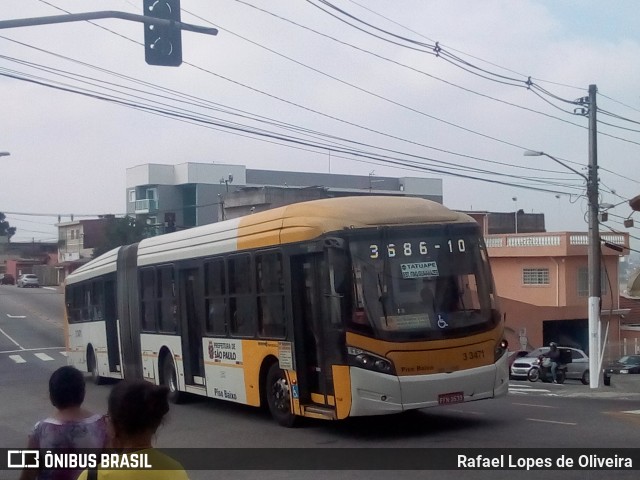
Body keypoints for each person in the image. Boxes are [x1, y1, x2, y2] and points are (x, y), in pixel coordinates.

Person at [77, 380, 188, 480]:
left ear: (115, 427)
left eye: (108, 419)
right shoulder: (175, 471)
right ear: (155, 424)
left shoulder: (93, 475)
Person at [20, 366, 109, 480]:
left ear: (52, 396)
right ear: (83, 393)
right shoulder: (102, 425)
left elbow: (27, 476)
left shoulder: (40, 431)